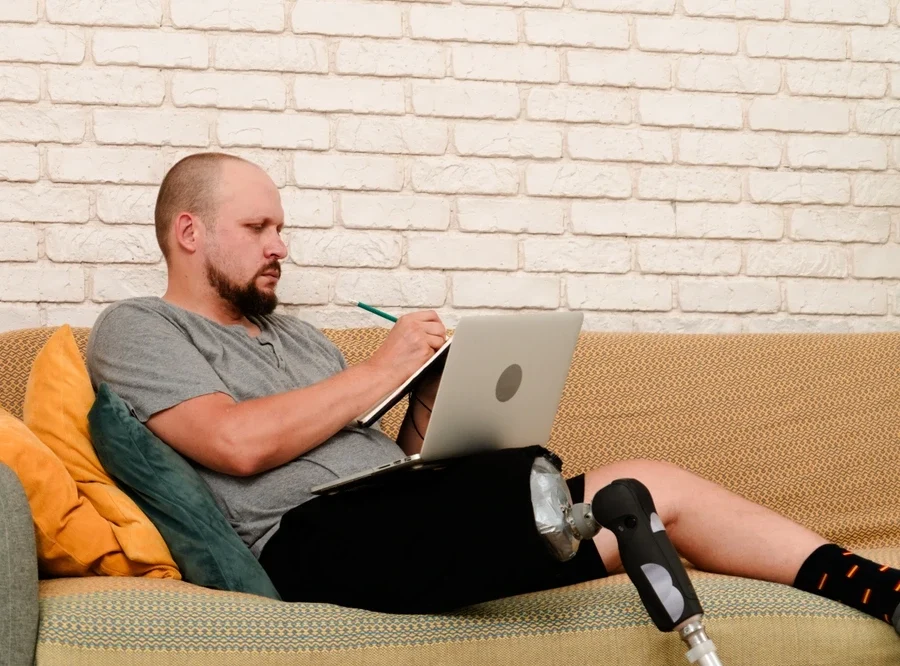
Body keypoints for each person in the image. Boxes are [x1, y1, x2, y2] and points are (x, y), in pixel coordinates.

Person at [87, 152, 900, 629]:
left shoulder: (297, 337)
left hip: (396, 518)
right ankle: (533, 507)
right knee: (535, 488)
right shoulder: (140, 328)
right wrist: (379, 365)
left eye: (280, 228)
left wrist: (428, 401)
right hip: (308, 545)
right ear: (189, 233)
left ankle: (882, 591)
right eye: (259, 229)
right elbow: (236, 443)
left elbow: (377, 458)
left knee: (645, 487)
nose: (281, 247)